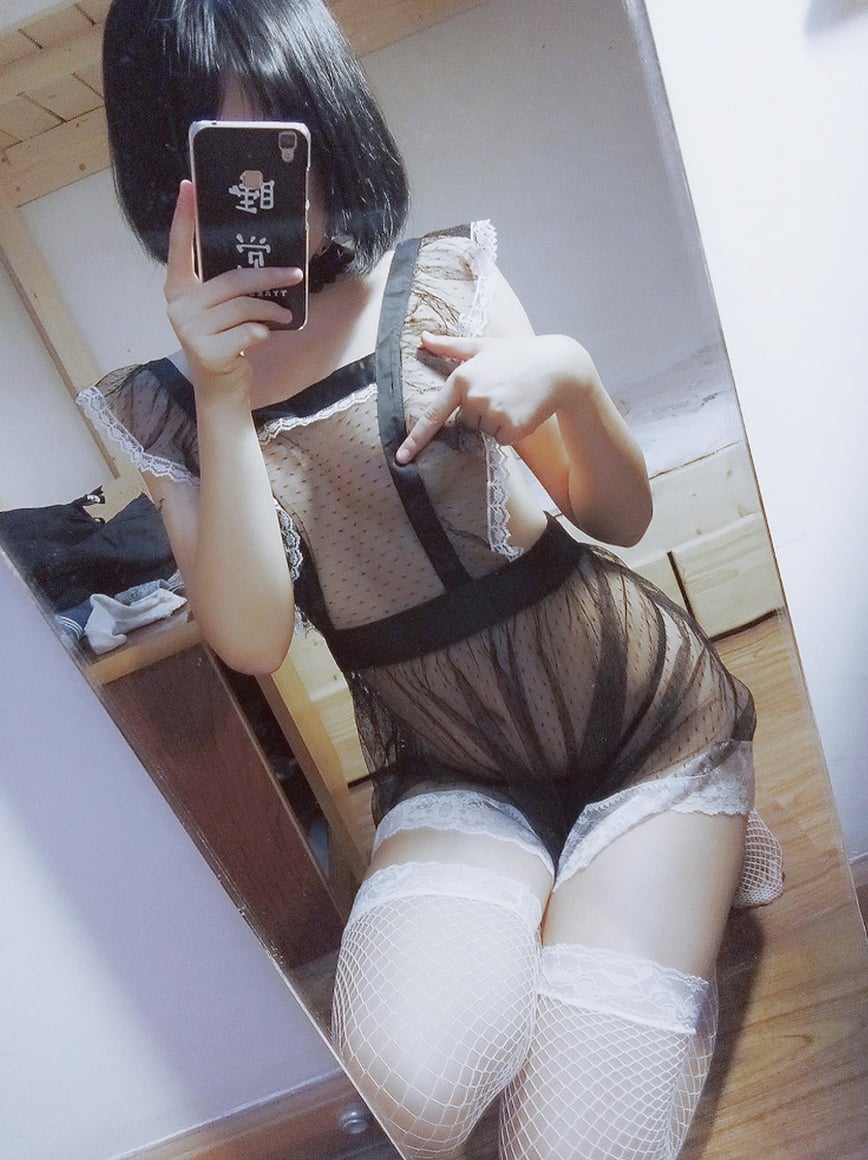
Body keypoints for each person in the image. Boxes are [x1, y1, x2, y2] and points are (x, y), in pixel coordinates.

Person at [84, 2, 783, 1156]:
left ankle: (696, 837)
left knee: (573, 1141)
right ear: (170, 176)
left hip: (643, 731)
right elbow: (253, 638)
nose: (273, 187)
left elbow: (620, 516)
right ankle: (574, 890)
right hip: (457, 771)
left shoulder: (447, 282)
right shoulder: (172, 406)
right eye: (222, 152)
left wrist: (569, 374)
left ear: (330, 119)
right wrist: (221, 393)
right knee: (405, 1090)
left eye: (285, 133)